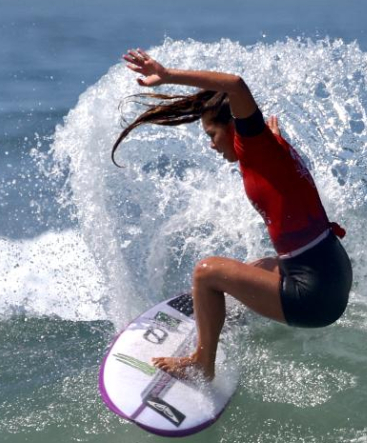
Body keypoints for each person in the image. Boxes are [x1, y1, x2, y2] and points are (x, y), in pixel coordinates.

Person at [113, 48, 353, 380]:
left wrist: (168, 75)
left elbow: (236, 85)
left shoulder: (253, 146)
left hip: (313, 296)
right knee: (252, 269)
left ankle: (202, 362)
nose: (211, 144)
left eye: (212, 134)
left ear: (233, 128)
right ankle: (218, 325)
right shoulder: (272, 146)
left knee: (206, 272)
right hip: (333, 273)